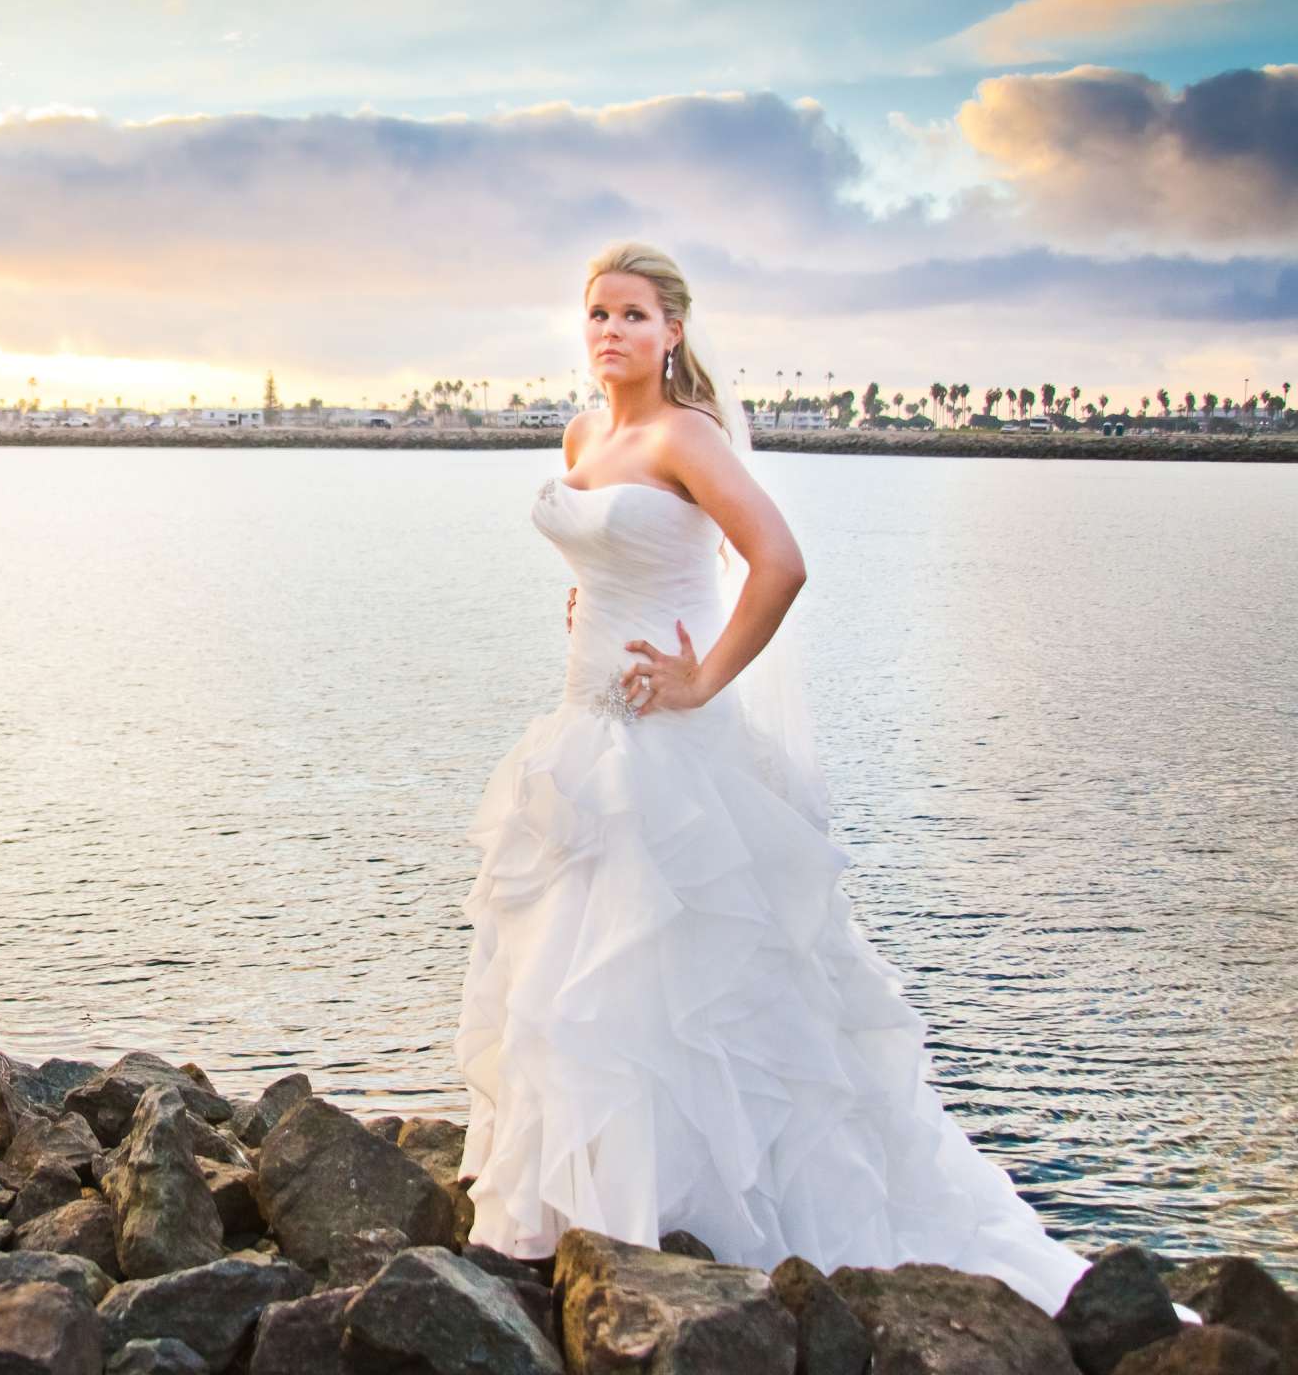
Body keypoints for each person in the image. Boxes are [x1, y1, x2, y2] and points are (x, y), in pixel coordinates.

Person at [452, 240, 1174, 1323]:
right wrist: (590, 600)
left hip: (666, 748)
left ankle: (705, 1230)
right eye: (598, 313)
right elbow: (611, 551)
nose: (611, 331)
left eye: (634, 315)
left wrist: (700, 678)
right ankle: (581, 1220)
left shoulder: (686, 434)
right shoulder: (586, 431)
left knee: (676, 985)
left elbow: (778, 560)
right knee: (571, 985)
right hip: (582, 738)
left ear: (673, 332)